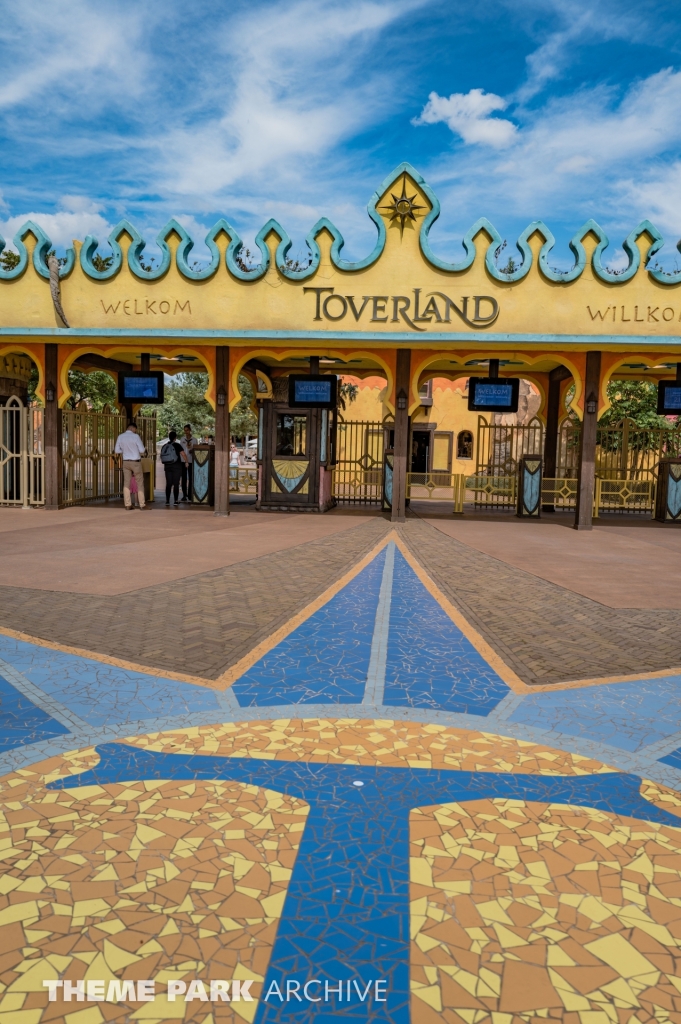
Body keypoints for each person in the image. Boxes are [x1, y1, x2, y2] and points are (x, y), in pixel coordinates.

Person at [114, 422, 148, 510]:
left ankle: (128, 504)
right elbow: (142, 450)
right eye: (135, 429)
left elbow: (117, 450)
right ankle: (142, 504)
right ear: (133, 428)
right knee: (139, 483)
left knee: (126, 483)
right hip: (135, 462)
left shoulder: (120, 436)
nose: (135, 431)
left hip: (126, 462)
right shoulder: (135, 436)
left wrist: (125, 451)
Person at [160, 431, 188, 507]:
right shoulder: (177, 445)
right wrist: (186, 462)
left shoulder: (164, 446)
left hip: (167, 467)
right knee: (176, 484)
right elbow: (183, 454)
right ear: (175, 438)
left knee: (168, 483)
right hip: (176, 466)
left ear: (169, 437)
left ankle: (167, 501)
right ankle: (175, 501)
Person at [180, 423, 196, 502]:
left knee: (191, 478)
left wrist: (192, 450)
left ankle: (190, 494)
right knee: (184, 478)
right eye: (185, 430)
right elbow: (180, 449)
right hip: (183, 461)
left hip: (191, 460)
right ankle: (184, 495)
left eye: (187, 430)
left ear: (190, 430)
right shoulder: (182, 439)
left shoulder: (194, 440)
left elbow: (196, 450)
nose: (186, 432)